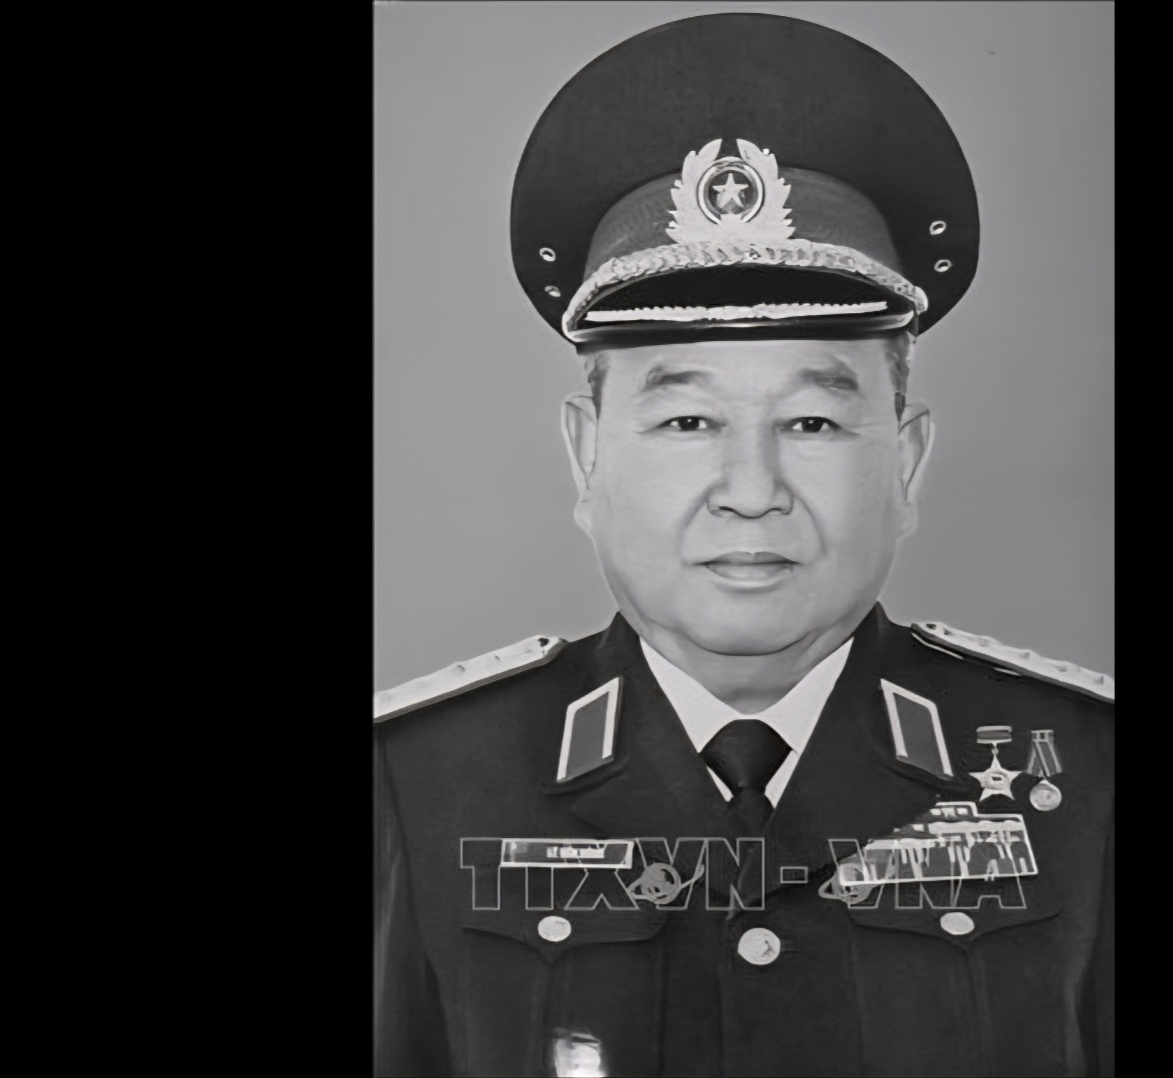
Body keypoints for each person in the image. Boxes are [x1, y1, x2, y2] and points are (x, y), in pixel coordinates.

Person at [375, 13, 1113, 1077]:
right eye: (688, 421)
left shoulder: (1087, 776)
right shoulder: (416, 785)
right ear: (587, 457)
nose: (752, 493)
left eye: (811, 422)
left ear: (906, 464)